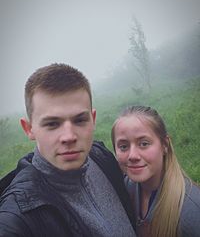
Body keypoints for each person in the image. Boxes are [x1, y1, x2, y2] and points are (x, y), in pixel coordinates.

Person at [0, 63, 137, 237]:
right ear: (29, 128)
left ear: (93, 119)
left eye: (80, 120)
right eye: (52, 124)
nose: (69, 136)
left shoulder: (101, 156)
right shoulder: (19, 217)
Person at [111, 105, 200, 237]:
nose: (132, 156)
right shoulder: (125, 187)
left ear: (165, 144)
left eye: (144, 143)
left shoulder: (191, 209)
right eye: (123, 146)